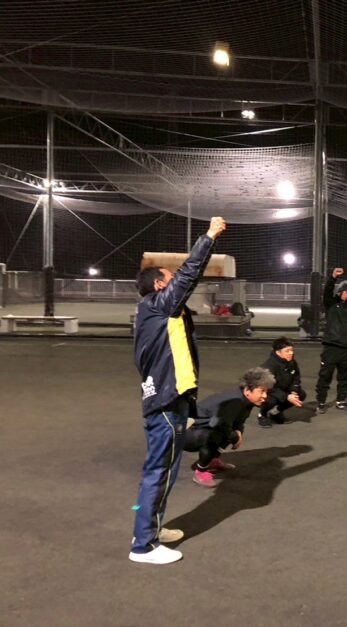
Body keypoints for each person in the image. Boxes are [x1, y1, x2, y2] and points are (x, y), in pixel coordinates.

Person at [129, 216, 226, 565]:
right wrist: (209, 237)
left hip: (171, 399)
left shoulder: (155, 315)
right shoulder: (157, 307)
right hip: (166, 404)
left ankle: (149, 529)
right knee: (159, 472)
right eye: (169, 281)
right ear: (159, 286)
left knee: (163, 471)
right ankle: (143, 546)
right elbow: (188, 275)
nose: (177, 286)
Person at [186, 367, 275, 487]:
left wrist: (238, 434)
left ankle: (212, 460)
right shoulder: (234, 401)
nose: (265, 396)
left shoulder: (245, 400)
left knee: (229, 432)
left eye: (266, 392)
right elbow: (219, 426)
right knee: (218, 434)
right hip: (187, 434)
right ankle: (200, 472)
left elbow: (239, 422)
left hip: (203, 429)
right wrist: (235, 436)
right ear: (247, 390)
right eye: (262, 391)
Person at [316, 267, 347, 414]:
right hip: (332, 347)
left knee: (345, 377)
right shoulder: (331, 304)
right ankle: (321, 402)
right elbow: (327, 291)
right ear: (339, 292)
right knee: (325, 376)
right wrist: (333, 277)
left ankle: (341, 401)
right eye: (346, 292)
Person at [258, 337, 306, 427]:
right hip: (270, 391)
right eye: (287, 351)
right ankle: (262, 414)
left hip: (283, 389)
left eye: (291, 350)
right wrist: (287, 396)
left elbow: (296, 377)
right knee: (270, 400)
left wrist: (294, 391)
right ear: (278, 352)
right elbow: (268, 387)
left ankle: (275, 413)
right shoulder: (269, 366)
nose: (291, 353)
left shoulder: (292, 362)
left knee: (301, 395)